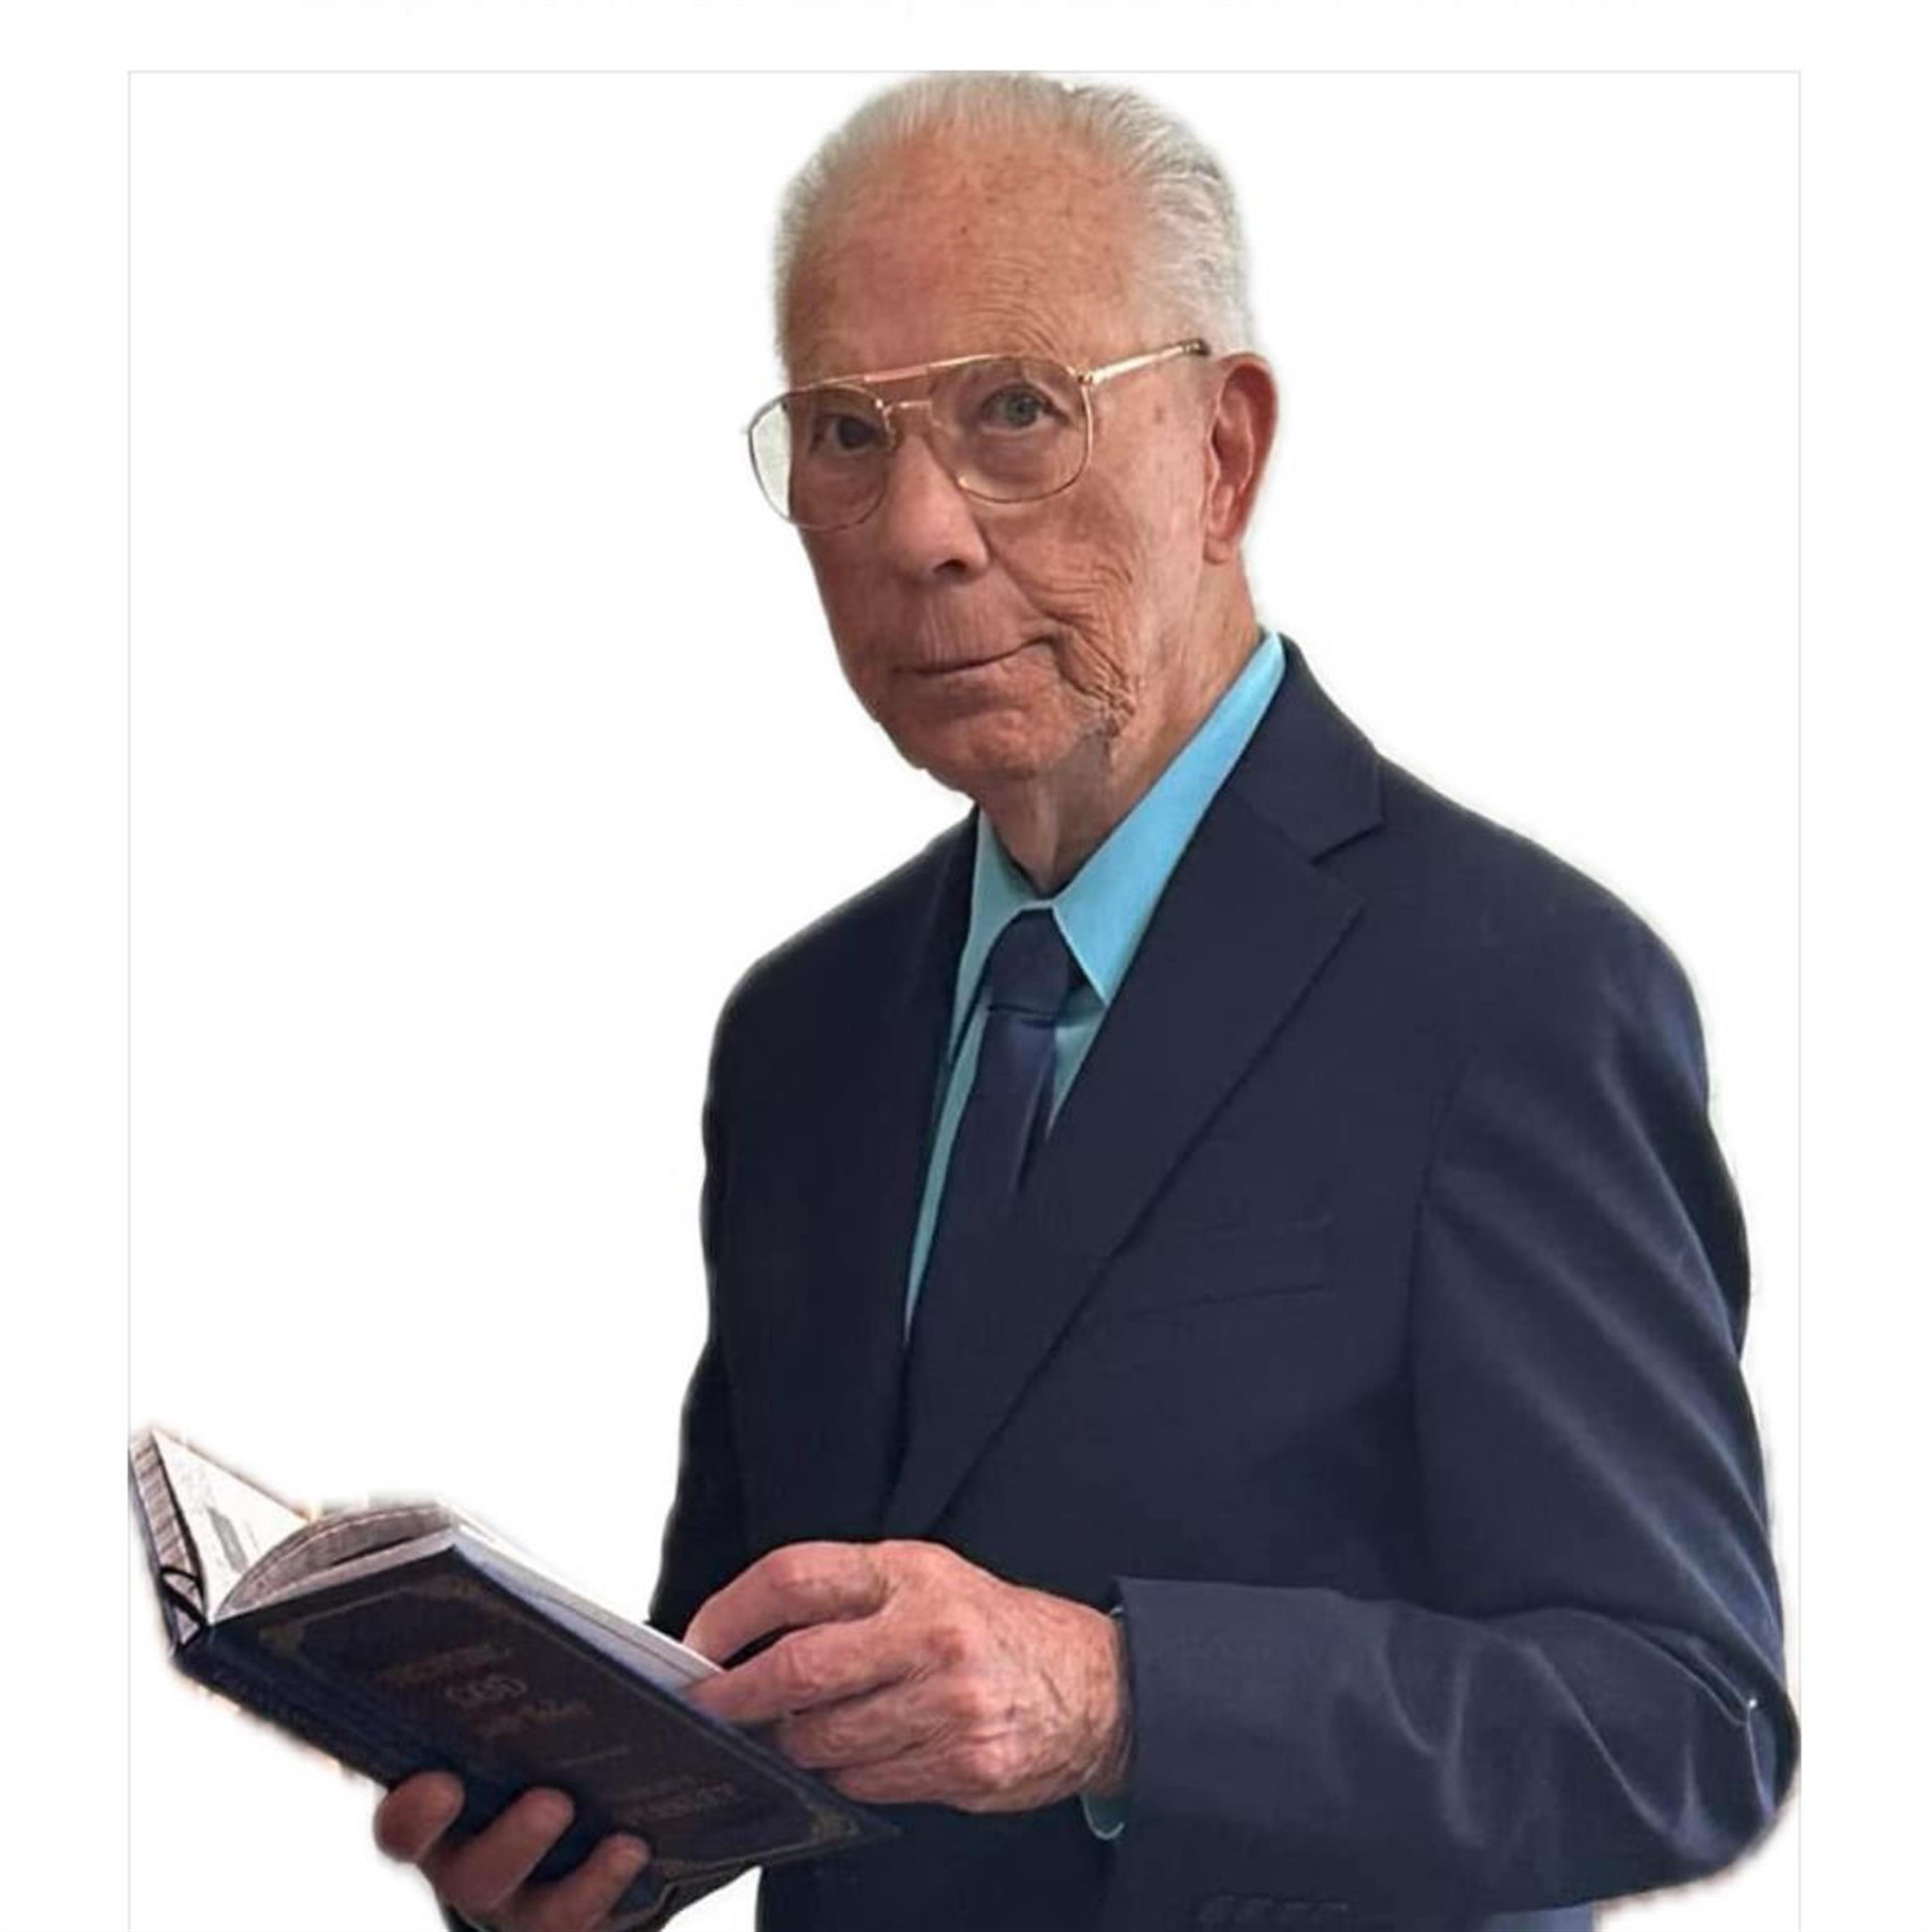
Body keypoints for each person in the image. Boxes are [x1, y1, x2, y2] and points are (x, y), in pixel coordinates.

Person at [373, 72, 1795, 1932]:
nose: (921, 530)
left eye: (1017, 412)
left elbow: (1681, 1728)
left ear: (1224, 454)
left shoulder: (1515, 987)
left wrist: (1121, 1701)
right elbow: (751, 1687)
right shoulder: (798, 1037)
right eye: (846, 434)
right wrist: (586, 1843)